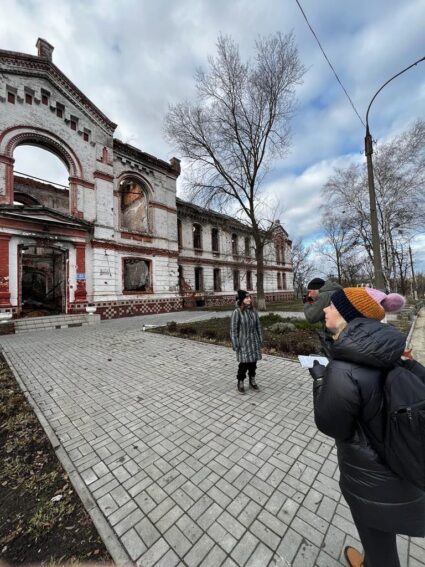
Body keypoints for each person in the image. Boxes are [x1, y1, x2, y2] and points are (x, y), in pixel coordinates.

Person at [309, 287, 425, 567]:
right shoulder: (395, 350)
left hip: (370, 482)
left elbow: (331, 424)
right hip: (404, 471)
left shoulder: (344, 367)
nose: (325, 310)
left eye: (332, 306)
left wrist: (321, 381)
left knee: (380, 550)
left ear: (349, 315)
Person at [230, 290, 263, 394]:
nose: (249, 299)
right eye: (246, 298)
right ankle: (240, 382)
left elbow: (258, 326)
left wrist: (260, 339)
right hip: (243, 343)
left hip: (254, 343)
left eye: (249, 297)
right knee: (243, 365)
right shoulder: (237, 312)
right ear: (241, 300)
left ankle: (252, 381)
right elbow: (233, 329)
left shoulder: (254, 311)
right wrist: (235, 343)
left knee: (253, 364)